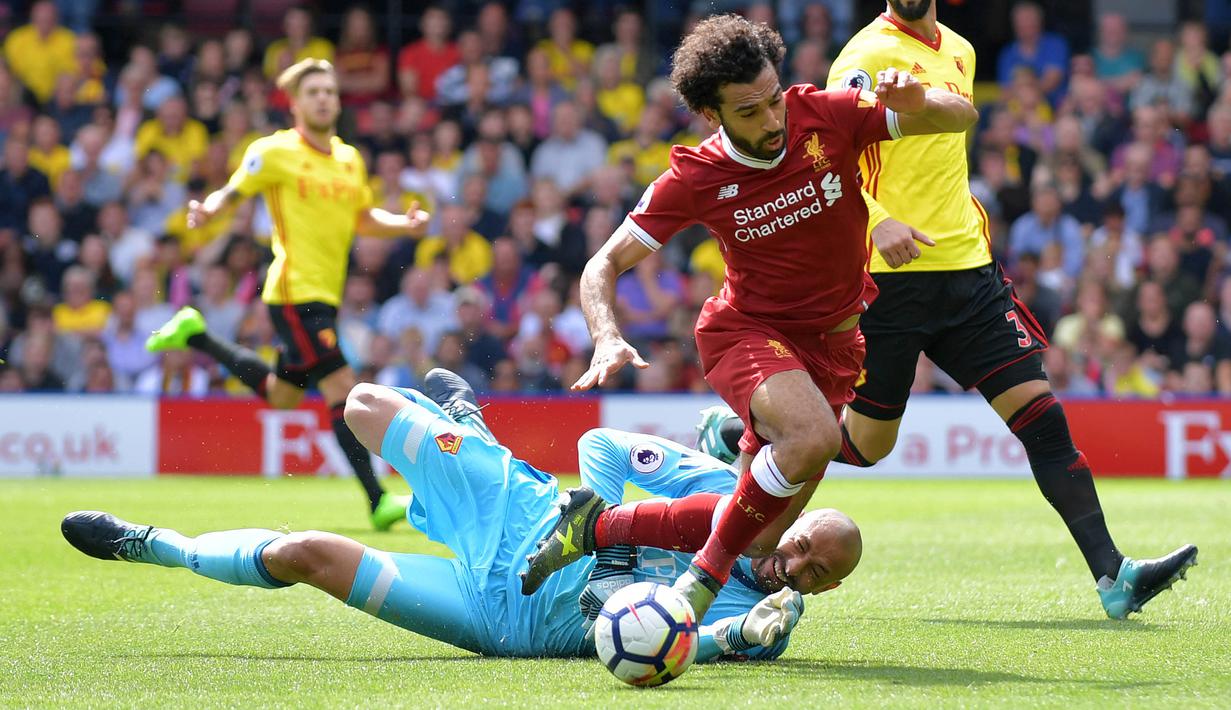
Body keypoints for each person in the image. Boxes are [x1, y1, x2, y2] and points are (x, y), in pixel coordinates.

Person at [522, 13, 976, 619]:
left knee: (758, 534)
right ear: (711, 115)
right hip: (748, 333)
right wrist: (605, 337)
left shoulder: (825, 114)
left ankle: (598, 527)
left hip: (836, 347)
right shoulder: (695, 177)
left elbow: (960, 116)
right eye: (749, 112)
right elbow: (601, 266)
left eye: (773, 101)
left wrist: (919, 99)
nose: (772, 121)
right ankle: (697, 589)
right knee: (814, 437)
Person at [788, 0, 1191, 619]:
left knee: (1043, 418)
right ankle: (740, 434)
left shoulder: (961, 49)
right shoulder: (863, 58)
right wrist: (879, 220)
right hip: (890, 280)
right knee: (868, 448)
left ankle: (1114, 577)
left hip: (968, 274)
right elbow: (824, 162)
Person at [61, 370, 862, 660]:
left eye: (813, 578)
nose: (791, 570)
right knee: (363, 407)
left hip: (500, 625)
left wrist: (733, 633)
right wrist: (610, 554)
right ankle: (468, 432)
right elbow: (603, 447)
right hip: (520, 517)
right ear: (792, 517)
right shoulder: (725, 490)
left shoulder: (768, 620)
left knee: (306, 553)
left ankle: (153, 545)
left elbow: (708, 645)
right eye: (799, 551)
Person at [143, 59, 429, 530]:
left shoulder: (348, 158)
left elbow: (360, 215)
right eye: (313, 92)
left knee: (282, 397)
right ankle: (377, 500)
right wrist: (207, 209)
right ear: (295, 103)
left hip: (323, 296)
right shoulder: (274, 152)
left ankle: (196, 334)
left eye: (330, 92)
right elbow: (234, 190)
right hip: (294, 293)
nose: (323, 99)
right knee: (343, 389)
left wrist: (405, 223)